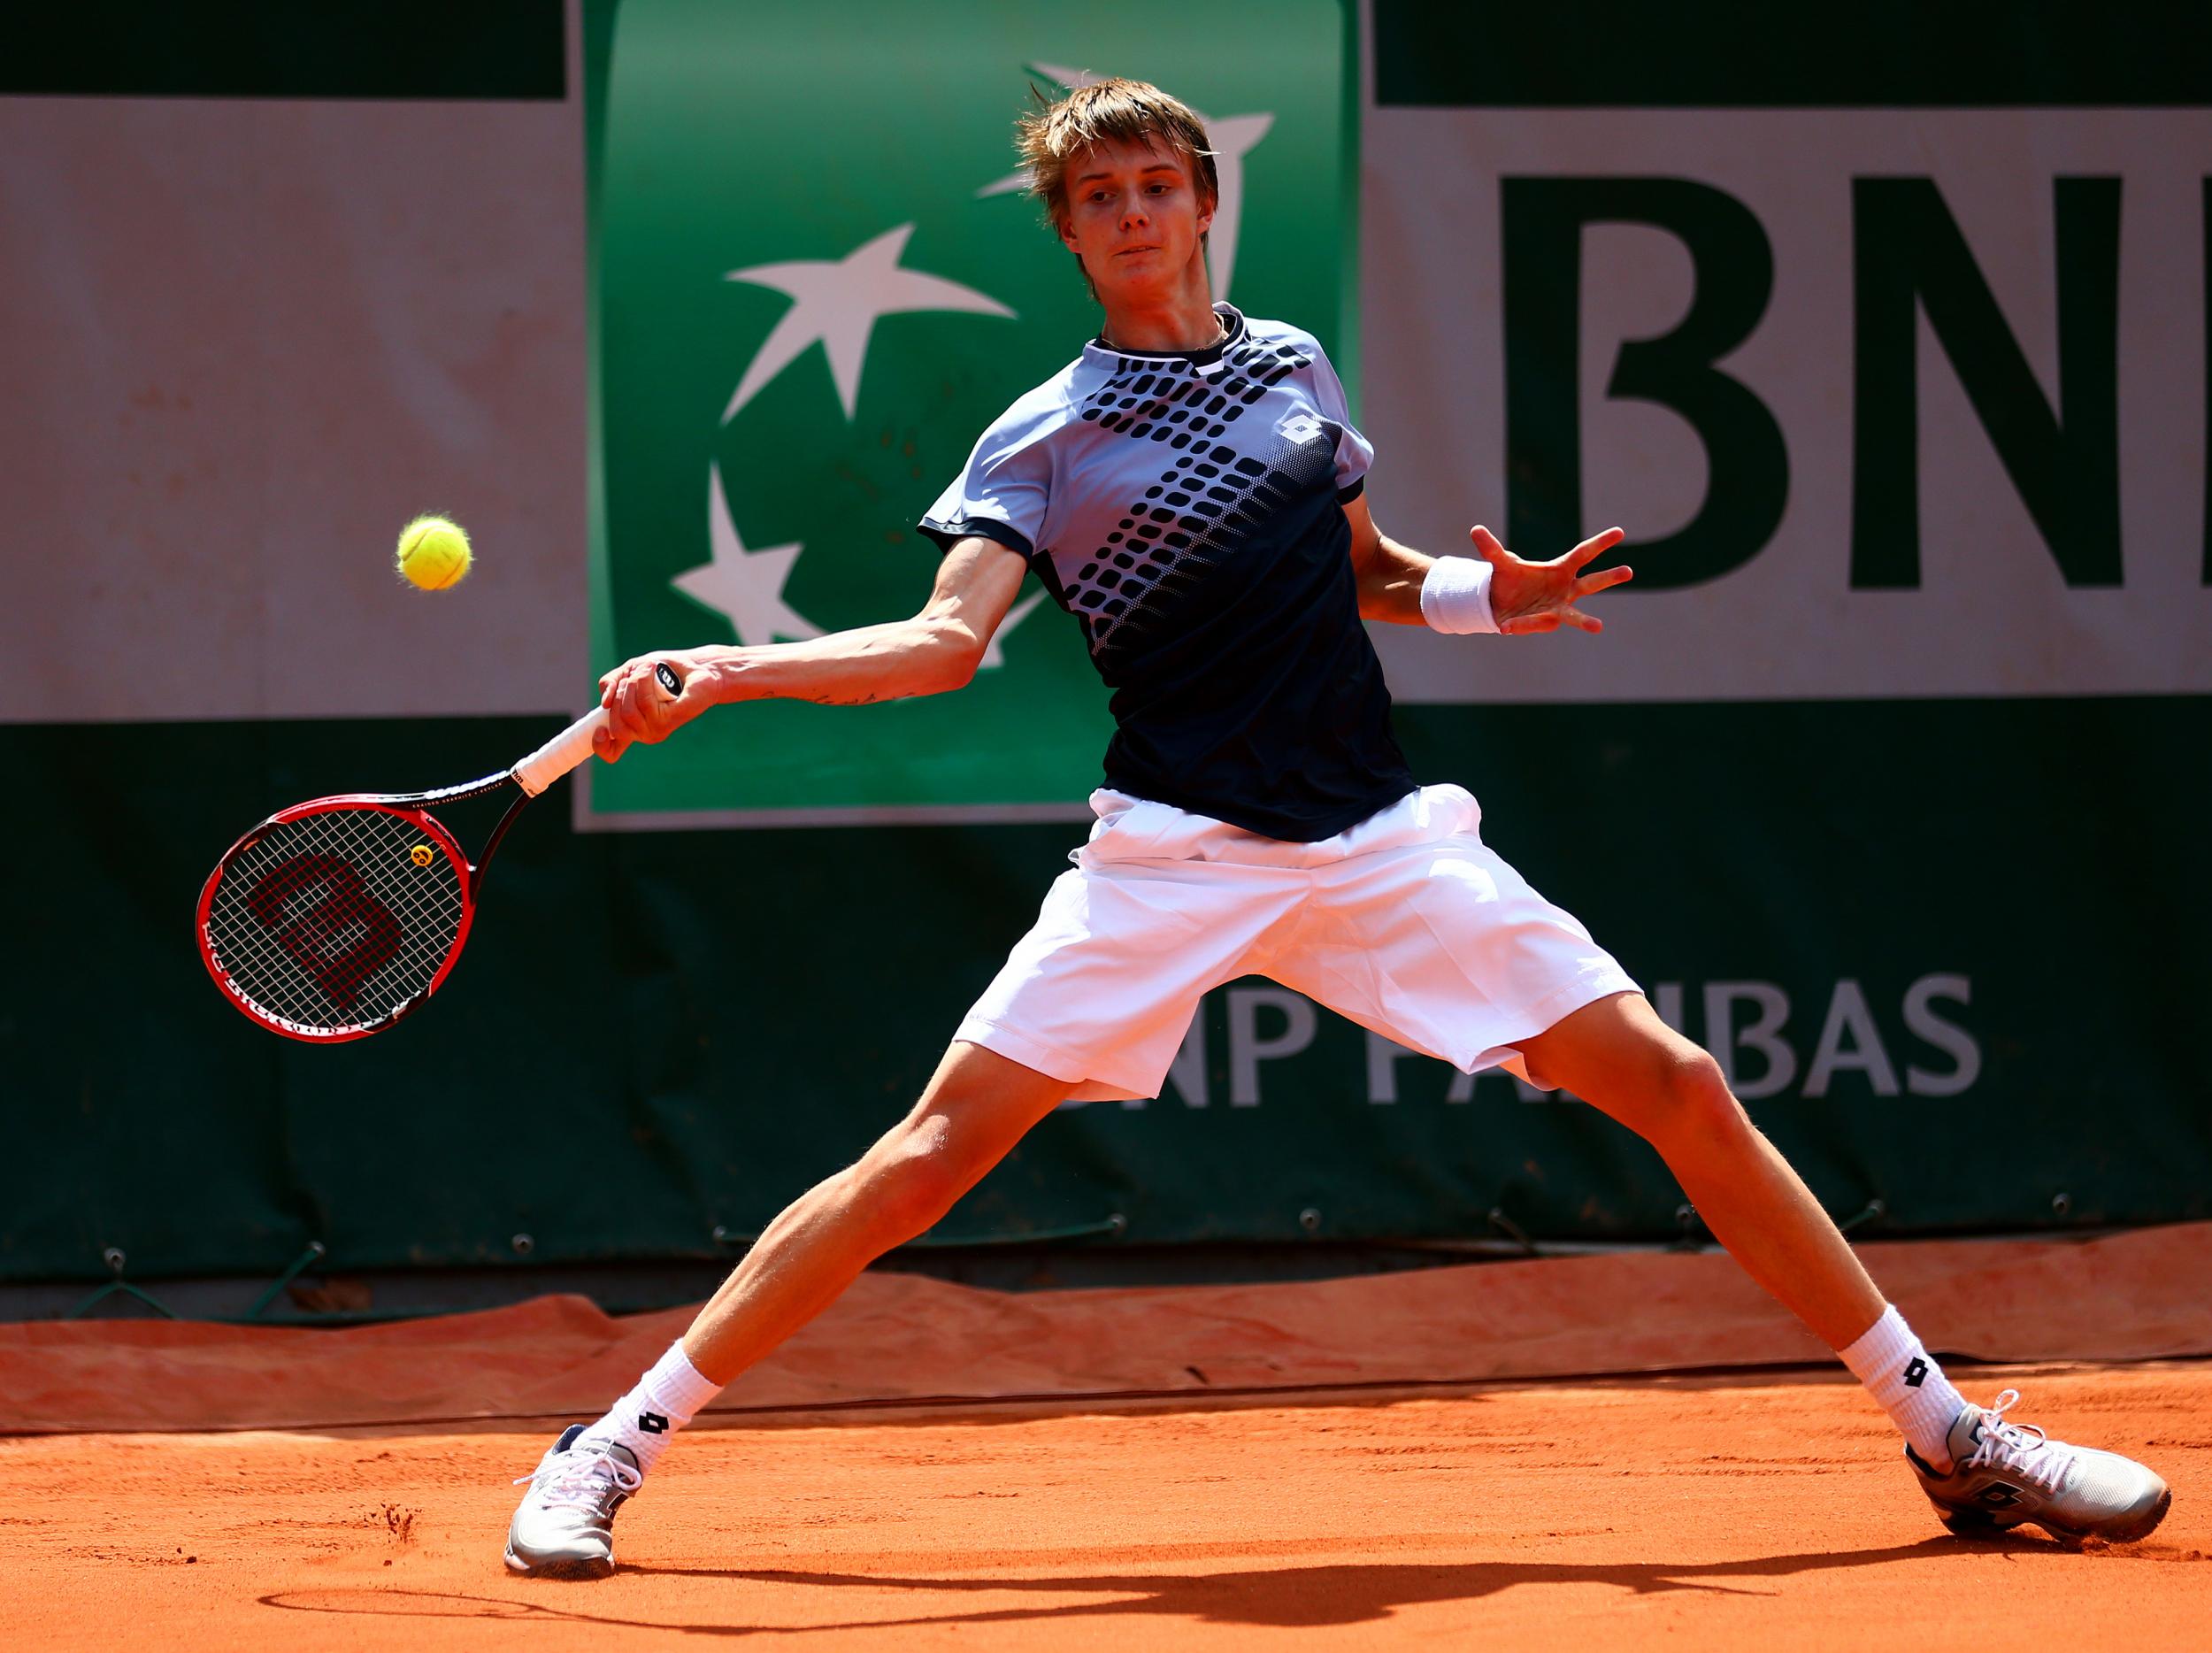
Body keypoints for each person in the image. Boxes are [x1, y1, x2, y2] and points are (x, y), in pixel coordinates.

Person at [507, 80, 2168, 1576]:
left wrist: (1484, 597)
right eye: (1101, 197)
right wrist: (730, 669)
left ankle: (1952, 1437)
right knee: (923, 1165)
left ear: (1207, 199)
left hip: (1378, 839)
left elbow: (1366, 575)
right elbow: (946, 643)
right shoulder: (1049, 430)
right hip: (1171, 856)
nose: (1136, 212)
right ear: (1074, 234)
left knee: (1676, 1080)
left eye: (1160, 182)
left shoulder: (1291, 363)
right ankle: (610, 1447)